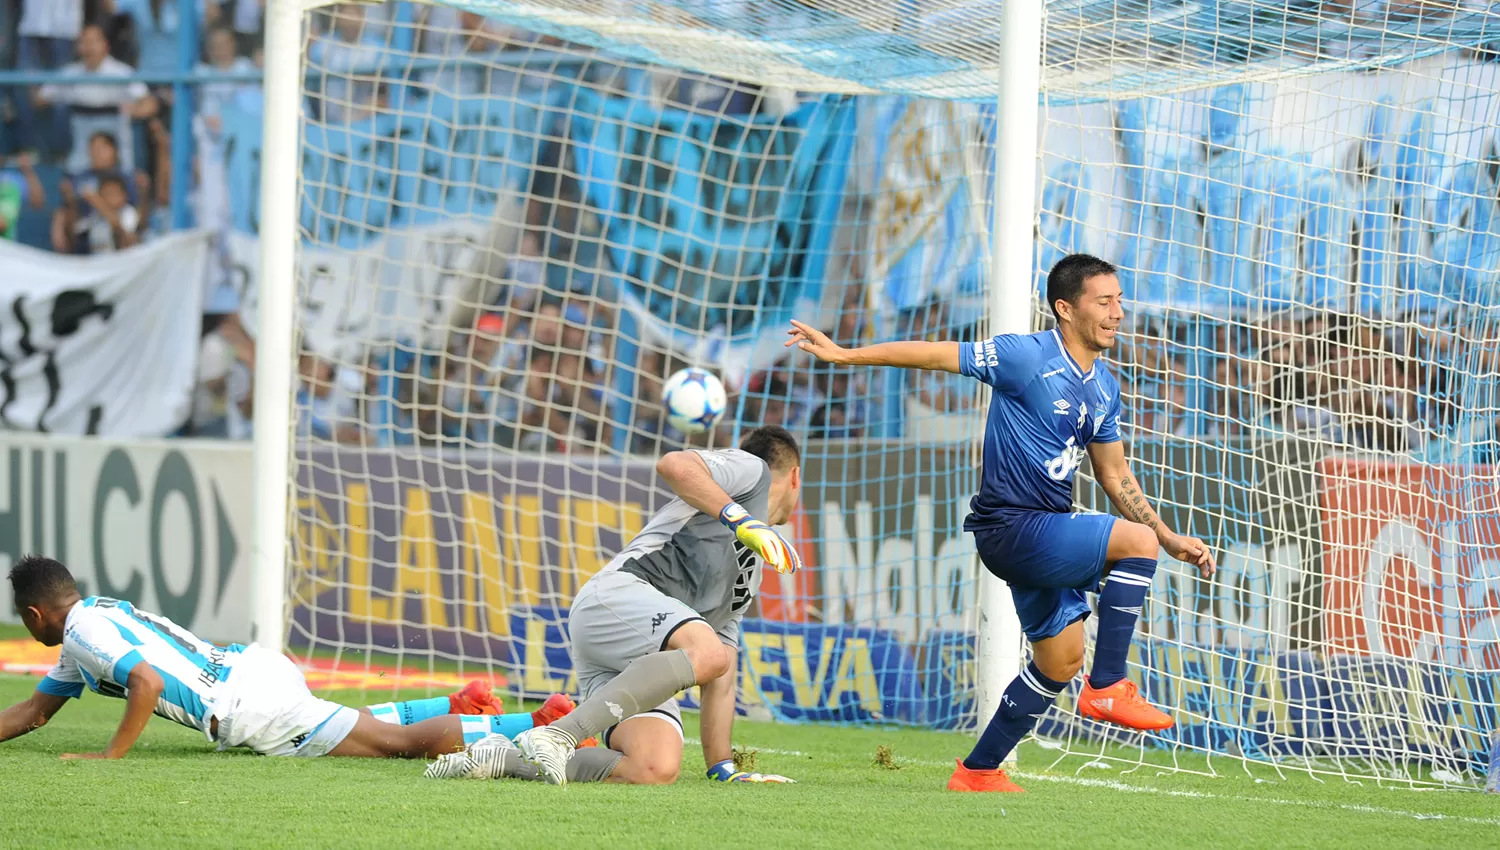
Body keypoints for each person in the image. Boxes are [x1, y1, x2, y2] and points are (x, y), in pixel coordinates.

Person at [785, 253, 1216, 793]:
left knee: (1059, 661)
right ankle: (1107, 686)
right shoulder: (1026, 355)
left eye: (1120, 302)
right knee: (1135, 543)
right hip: (1011, 526)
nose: (1117, 313)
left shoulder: (1104, 386)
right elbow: (936, 356)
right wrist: (848, 355)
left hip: (1044, 528)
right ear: (1065, 308)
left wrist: (1172, 538)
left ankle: (978, 771)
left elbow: (1114, 472)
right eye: (1103, 302)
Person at [427, 426, 805, 786]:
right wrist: (738, 519)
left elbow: (721, 665)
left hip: (638, 663)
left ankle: (495, 759)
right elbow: (674, 465)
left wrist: (723, 767)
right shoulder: (750, 470)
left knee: (653, 767)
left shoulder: (749, 573)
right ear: (794, 477)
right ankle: (558, 735)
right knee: (706, 652)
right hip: (616, 599)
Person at [0, 555, 580, 761]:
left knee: (397, 749)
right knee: (356, 728)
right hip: (254, 668)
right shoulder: (97, 615)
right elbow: (32, 712)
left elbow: (146, 682)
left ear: (33, 617)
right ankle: (457, 704)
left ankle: (541, 725)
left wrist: (111, 754)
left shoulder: (79, 633)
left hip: (248, 706)